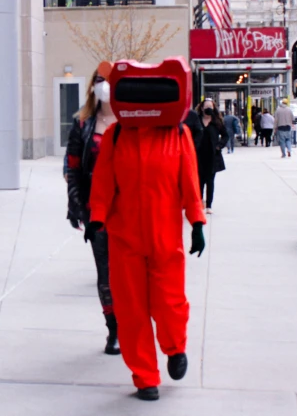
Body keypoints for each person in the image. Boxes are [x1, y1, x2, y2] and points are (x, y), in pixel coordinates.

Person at [87, 57, 206, 402]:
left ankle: (175, 347)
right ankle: (145, 377)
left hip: (165, 235)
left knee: (169, 302)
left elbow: (189, 180)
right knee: (131, 310)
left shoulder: (178, 133)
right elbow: (104, 181)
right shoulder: (117, 134)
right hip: (124, 237)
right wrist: (97, 217)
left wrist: (196, 220)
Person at [65, 70, 120, 356]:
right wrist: (75, 205)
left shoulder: (132, 121)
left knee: (133, 274)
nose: (105, 86)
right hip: (97, 211)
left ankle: (133, 323)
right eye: (99, 80)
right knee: (106, 273)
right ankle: (114, 330)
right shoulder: (83, 124)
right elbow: (72, 169)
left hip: (130, 210)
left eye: (109, 80)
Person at [196, 98, 229, 214]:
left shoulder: (217, 122)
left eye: (211, 106)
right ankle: (199, 202)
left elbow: (226, 136)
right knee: (199, 181)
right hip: (198, 156)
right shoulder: (197, 120)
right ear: (202, 107)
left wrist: (219, 146)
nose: (208, 108)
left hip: (212, 156)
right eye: (206, 106)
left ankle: (209, 205)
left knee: (210, 181)